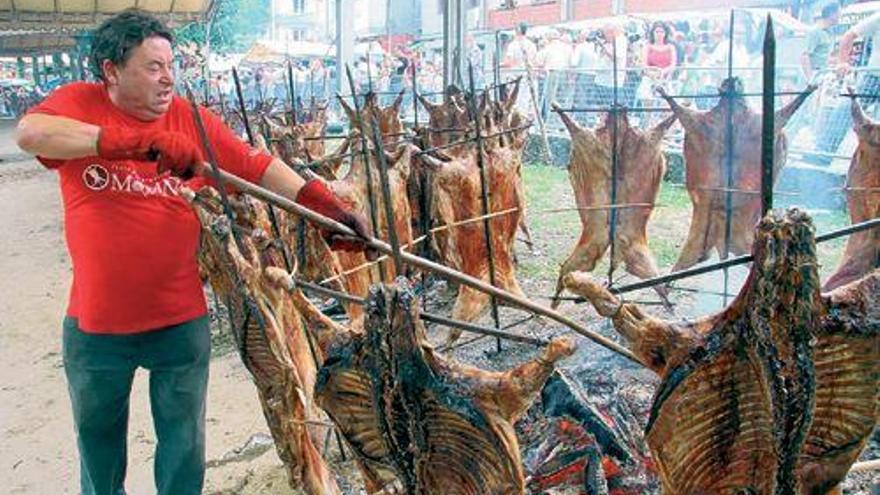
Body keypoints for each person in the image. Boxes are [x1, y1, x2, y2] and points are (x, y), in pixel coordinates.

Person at [14, 10, 370, 495]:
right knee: (99, 452)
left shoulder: (191, 119)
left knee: (183, 450)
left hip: (179, 323)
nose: (167, 78)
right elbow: (31, 133)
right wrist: (132, 142)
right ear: (111, 71)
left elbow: (255, 165)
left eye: (171, 64)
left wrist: (320, 205)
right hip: (97, 328)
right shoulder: (81, 102)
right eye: (153, 66)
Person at [802, 3, 840, 83]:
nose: (840, 16)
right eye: (838, 13)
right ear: (832, 14)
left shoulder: (830, 32)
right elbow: (805, 56)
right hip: (816, 73)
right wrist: (810, 79)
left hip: (825, 73)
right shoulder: (815, 31)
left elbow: (824, 55)